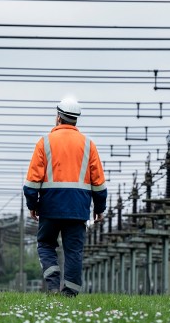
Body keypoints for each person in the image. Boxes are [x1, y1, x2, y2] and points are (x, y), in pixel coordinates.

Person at [23, 97, 107, 296]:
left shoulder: (44, 143)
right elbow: (99, 183)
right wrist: (99, 208)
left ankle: (53, 285)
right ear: (75, 120)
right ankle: (69, 294)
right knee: (73, 252)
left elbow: (32, 182)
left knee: (45, 244)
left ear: (58, 117)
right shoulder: (88, 145)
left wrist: (32, 204)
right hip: (77, 209)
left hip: (50, 207)